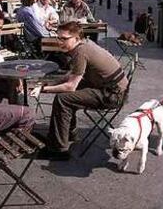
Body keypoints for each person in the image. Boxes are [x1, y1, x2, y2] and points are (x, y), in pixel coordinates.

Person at [31, 22, 128, 160]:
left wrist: (43, 89)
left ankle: (59, 150)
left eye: (64, 39)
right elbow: (71, 76)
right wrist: (46, 84)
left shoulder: (81, 52)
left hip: (112, 95)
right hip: (110, 87)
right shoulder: (84, 44)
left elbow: (70, 86)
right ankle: (68, 134)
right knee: (68, 96)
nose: (60, 42)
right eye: (58, 38)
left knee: (63, 99)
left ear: (76, 39)